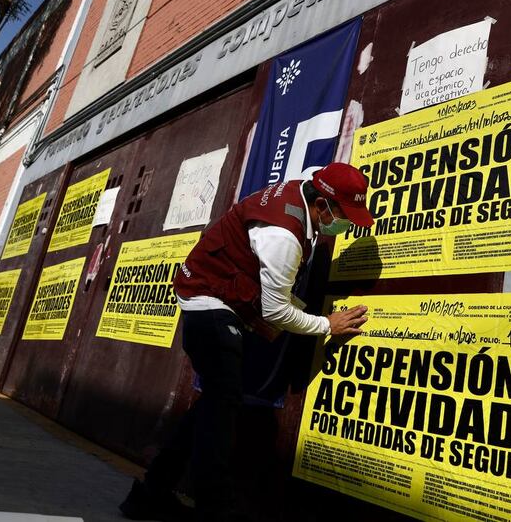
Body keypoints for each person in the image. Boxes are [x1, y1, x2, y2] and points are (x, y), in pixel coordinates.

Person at [120, 162, 373, 521]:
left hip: (213, 299)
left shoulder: (304, 189)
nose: (344, 226)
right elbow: (275, 312)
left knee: (214, 405)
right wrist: (326, 325)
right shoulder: (283, 236)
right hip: (209, 305)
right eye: (343, 216)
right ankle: (215, 506)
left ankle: (150, 493)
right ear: (321, 206)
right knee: (222, 411)